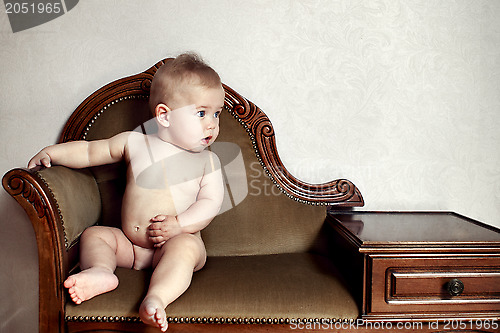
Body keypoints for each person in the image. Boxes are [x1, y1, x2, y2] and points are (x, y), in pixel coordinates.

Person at [27, 53, 225, 332]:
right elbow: (89, 151)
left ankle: (157, 298)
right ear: (164, 116)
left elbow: (210, 203)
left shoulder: (208, 161)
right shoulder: (135, 143)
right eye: (202, 113)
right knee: (95, 235)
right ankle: (101, 272)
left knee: (187, 249)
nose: (212, 124)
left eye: (217, 113)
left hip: (172, 244)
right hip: (130, 248)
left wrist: (178, 226)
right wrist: (52, 153)